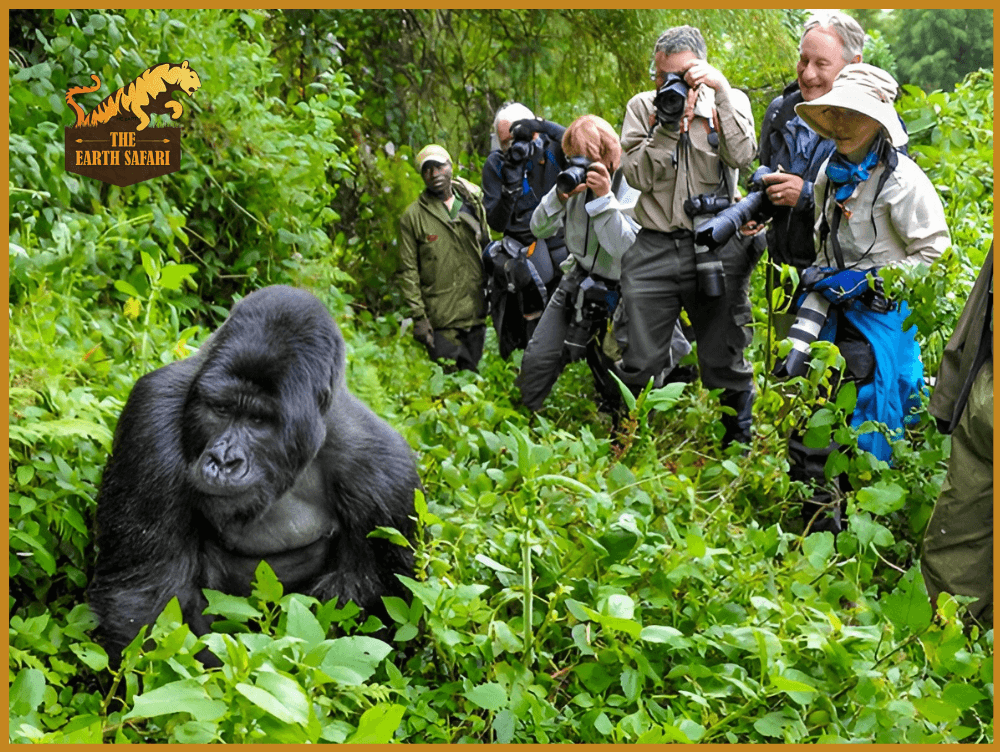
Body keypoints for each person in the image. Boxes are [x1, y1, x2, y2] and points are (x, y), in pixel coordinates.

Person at [788, 63, 950, 532]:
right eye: (835, 115)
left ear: (877, 121)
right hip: (833, 315)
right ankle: (818, 525)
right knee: (814, 413)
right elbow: (826, 237)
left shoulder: (903, 182)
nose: (841, 126)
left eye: (852, 117)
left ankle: (865, 525)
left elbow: (936, 253)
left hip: (882, 319)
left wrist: (874, 279)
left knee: (871, 419)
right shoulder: (828, 173)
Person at [616, 25, 759, 447]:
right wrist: (665, 125)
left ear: (701, 69)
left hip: (712, 242)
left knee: (723, 353)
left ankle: (737, 443)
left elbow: (743, 155)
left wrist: (722, 91)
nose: (668, 84)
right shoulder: (642, 108)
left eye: (680, 75)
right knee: (639, 355)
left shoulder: (725, 103)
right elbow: (637, 175)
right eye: (661, 76)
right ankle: (630, 437)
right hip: (654, 242)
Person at [514, 114, 640, 415]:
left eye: (587, 159)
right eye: (573, 159)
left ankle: (623, 428)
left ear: (608, 155)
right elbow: (539, 229)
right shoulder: (573, 179)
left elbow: (623, 248)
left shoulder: (632, 182)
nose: (579, 166)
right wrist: (557, 198)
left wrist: (603, 199)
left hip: (622, 288)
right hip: (578, 277)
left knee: (617, 364)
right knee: (539, 356)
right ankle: (522, 417)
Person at [753, 11, 865, 270]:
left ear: (854, 64)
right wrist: (759, 205)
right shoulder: (780, 111)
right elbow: (767, 170)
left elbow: (873, 210)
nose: (807, 74)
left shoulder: (873, 124)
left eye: (821, 64)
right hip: (781, 274)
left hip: (840, 279)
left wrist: (805, 195)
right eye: (803, 60)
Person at [921, 245, 992, 625]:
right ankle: (948, 644)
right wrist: (949, 397)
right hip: (988, 404)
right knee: (961, 531)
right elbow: (981, 309)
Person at [481, 103, 569, 358]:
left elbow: (583, 143)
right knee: (525, 279)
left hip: (560, 237)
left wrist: (542, 125)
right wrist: (509, 190)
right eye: (504, 141)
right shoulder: (496, 163)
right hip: (522, 243)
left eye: (515, 139)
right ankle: (528, 354)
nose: (511, 148)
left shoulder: (552, 150)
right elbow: (497, 223)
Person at [398, 144, 490, 371]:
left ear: (451, 166)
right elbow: (408, 270)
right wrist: (419, 317)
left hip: (475, 312)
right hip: (441, 319)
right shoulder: (413, 217)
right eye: (428, 170)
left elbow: (487, 247)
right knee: (448, 383)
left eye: (440, 166)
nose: (435, 174)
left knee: (473, 379)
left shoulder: (471, 201)